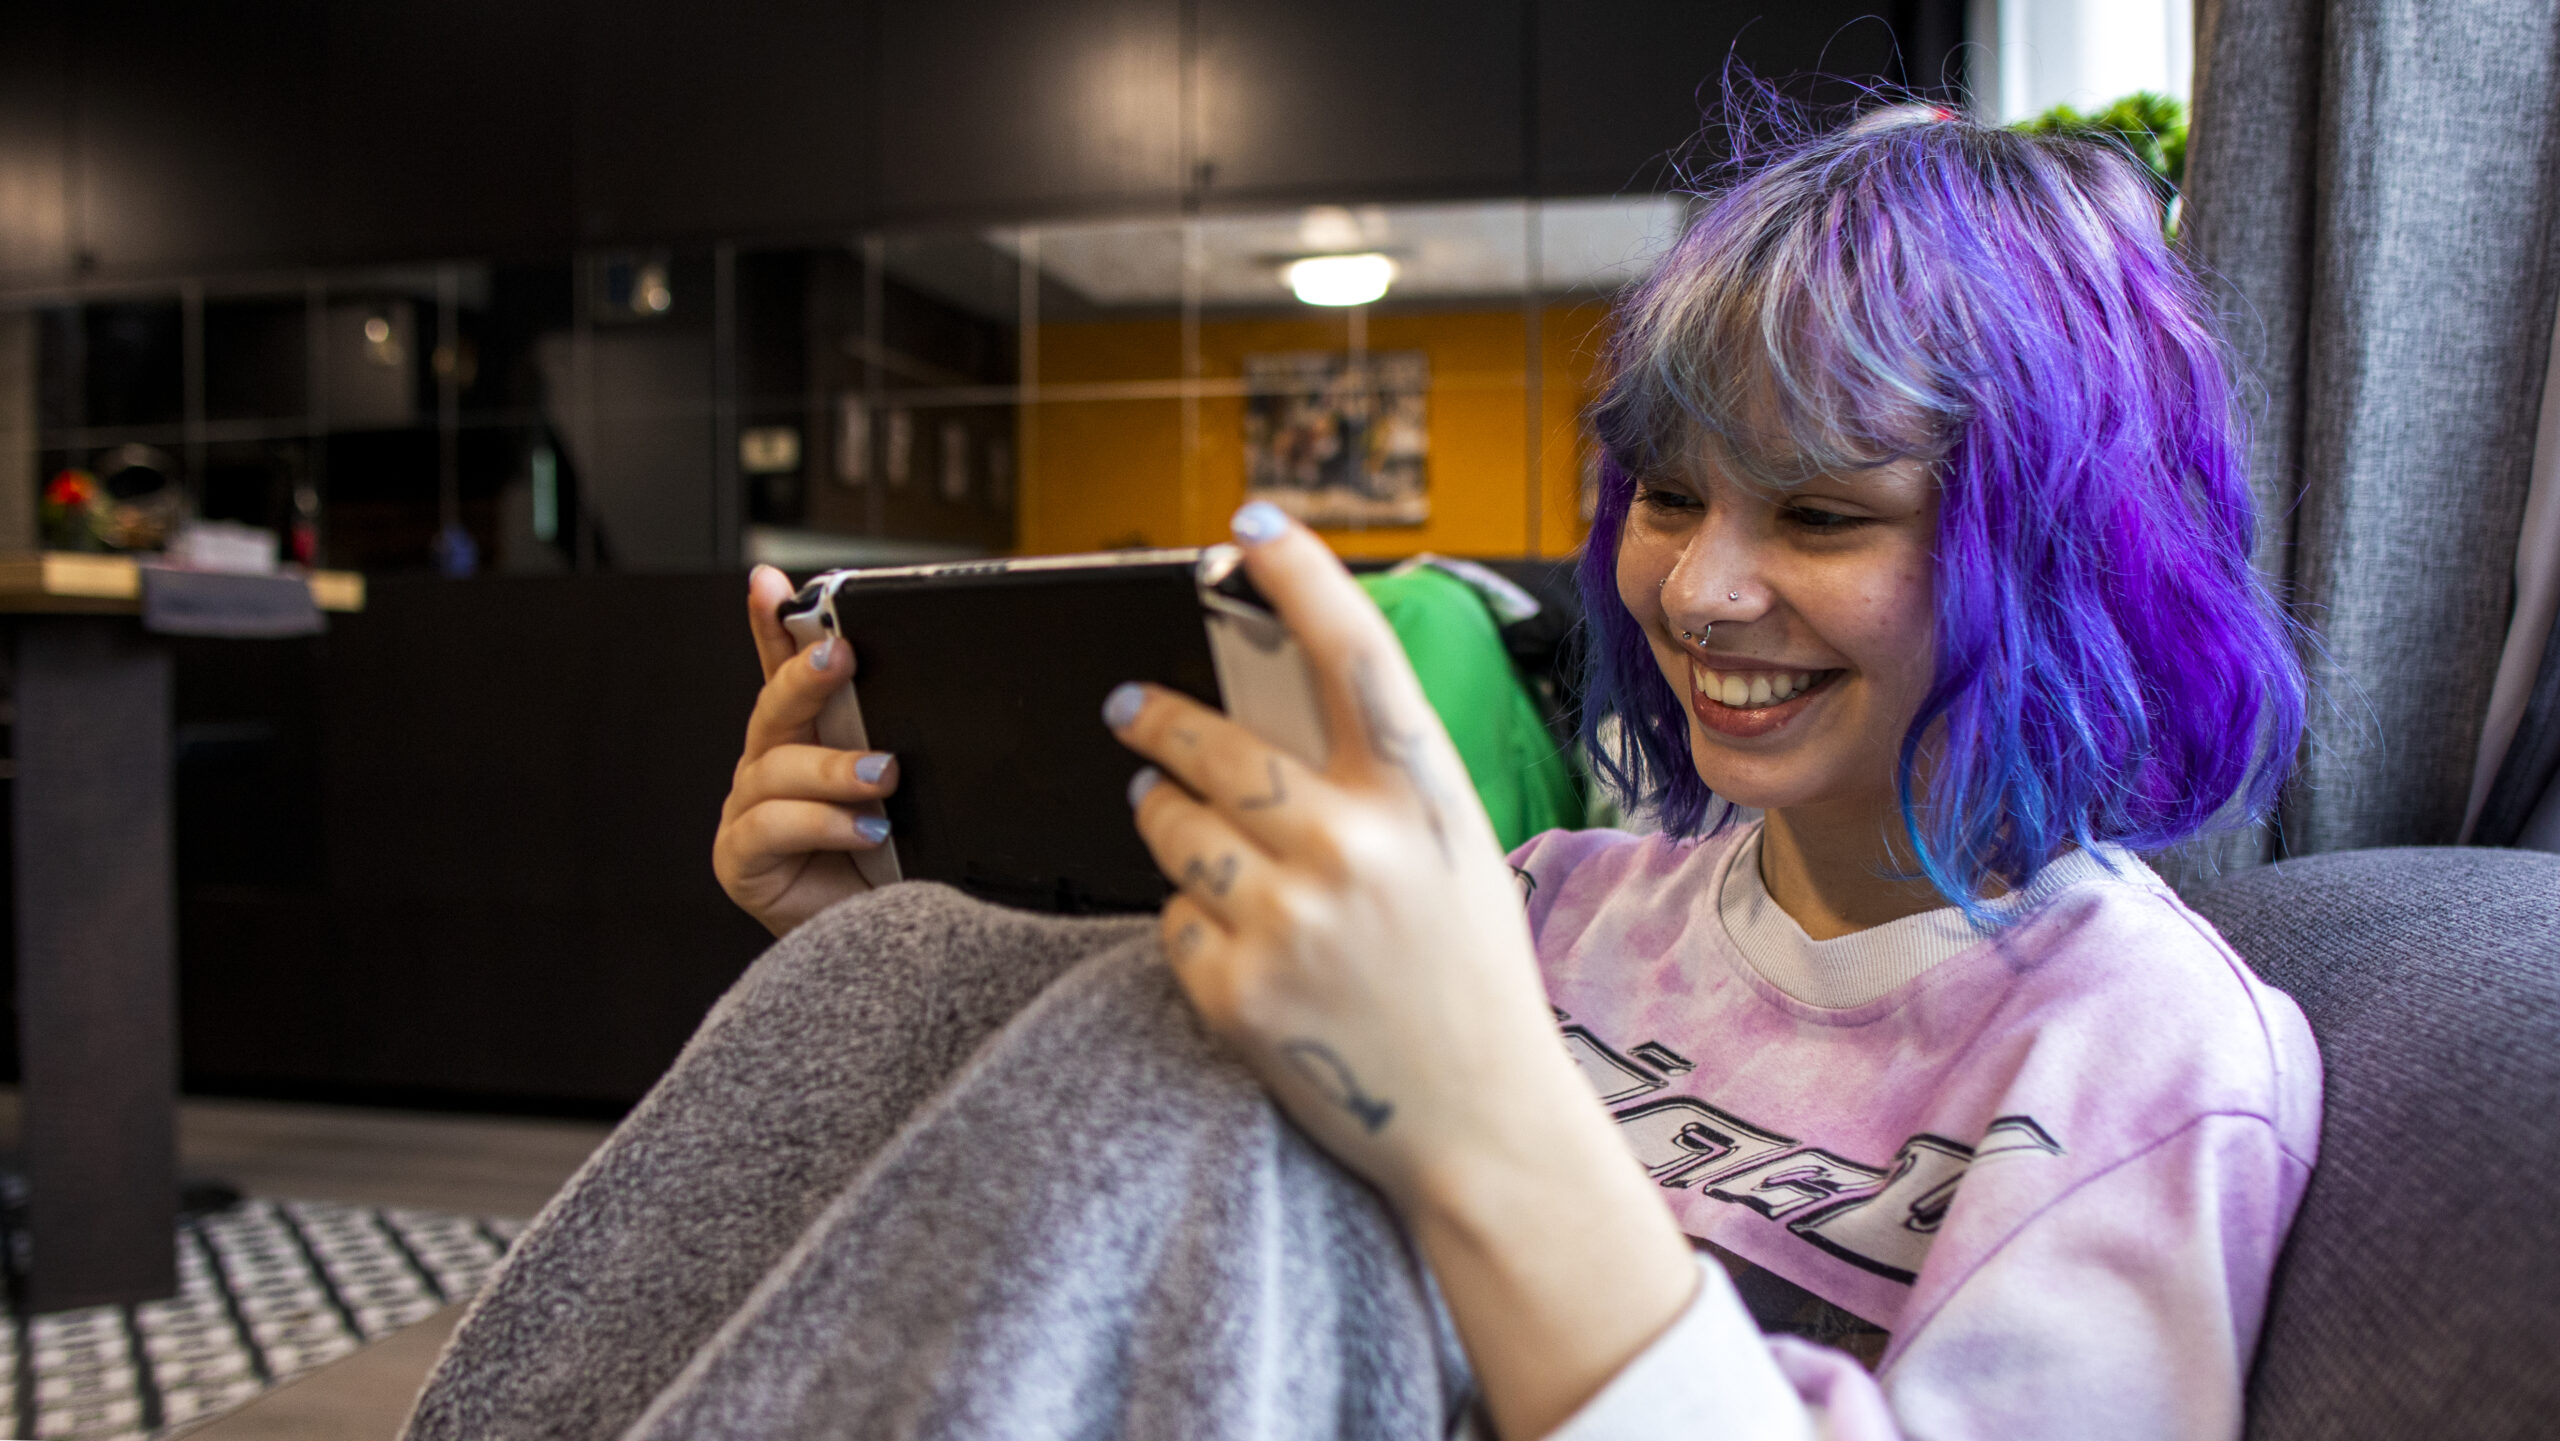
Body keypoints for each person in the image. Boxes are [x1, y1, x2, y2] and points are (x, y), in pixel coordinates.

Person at [712, 105, 2316, 1440]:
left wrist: (1479, 1111)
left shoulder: (2142, 1051)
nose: (1697, 591)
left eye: (1821, 515)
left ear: (2067, 556)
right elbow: (1140, 1238)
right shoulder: (1547, 905)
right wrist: (883, 936)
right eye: (1671, 499)